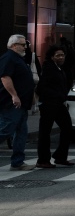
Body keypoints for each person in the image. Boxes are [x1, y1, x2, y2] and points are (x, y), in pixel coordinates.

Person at [0, 35, 37, 170]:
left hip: (22, 104)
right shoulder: (8, 58)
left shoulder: (18, 59)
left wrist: (31, 96)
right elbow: (5, 77)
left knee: (21, 132)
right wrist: (14, 96)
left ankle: (17, 162)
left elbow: (26, 80)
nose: (25, 47)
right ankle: (17, 161)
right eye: (22, 44)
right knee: (5, 130)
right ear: (14, 45)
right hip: (11, 104)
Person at [35, 45, 74, 168]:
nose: (61, 57)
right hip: (49, 104)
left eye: (62, 55)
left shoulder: (59, 68)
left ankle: (60, 156)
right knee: (45, 132)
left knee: (67, 128)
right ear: (52, 57)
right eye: (58, 55)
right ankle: (43, 159)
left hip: (58, 103)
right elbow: (43, 87)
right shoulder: (48, 68)